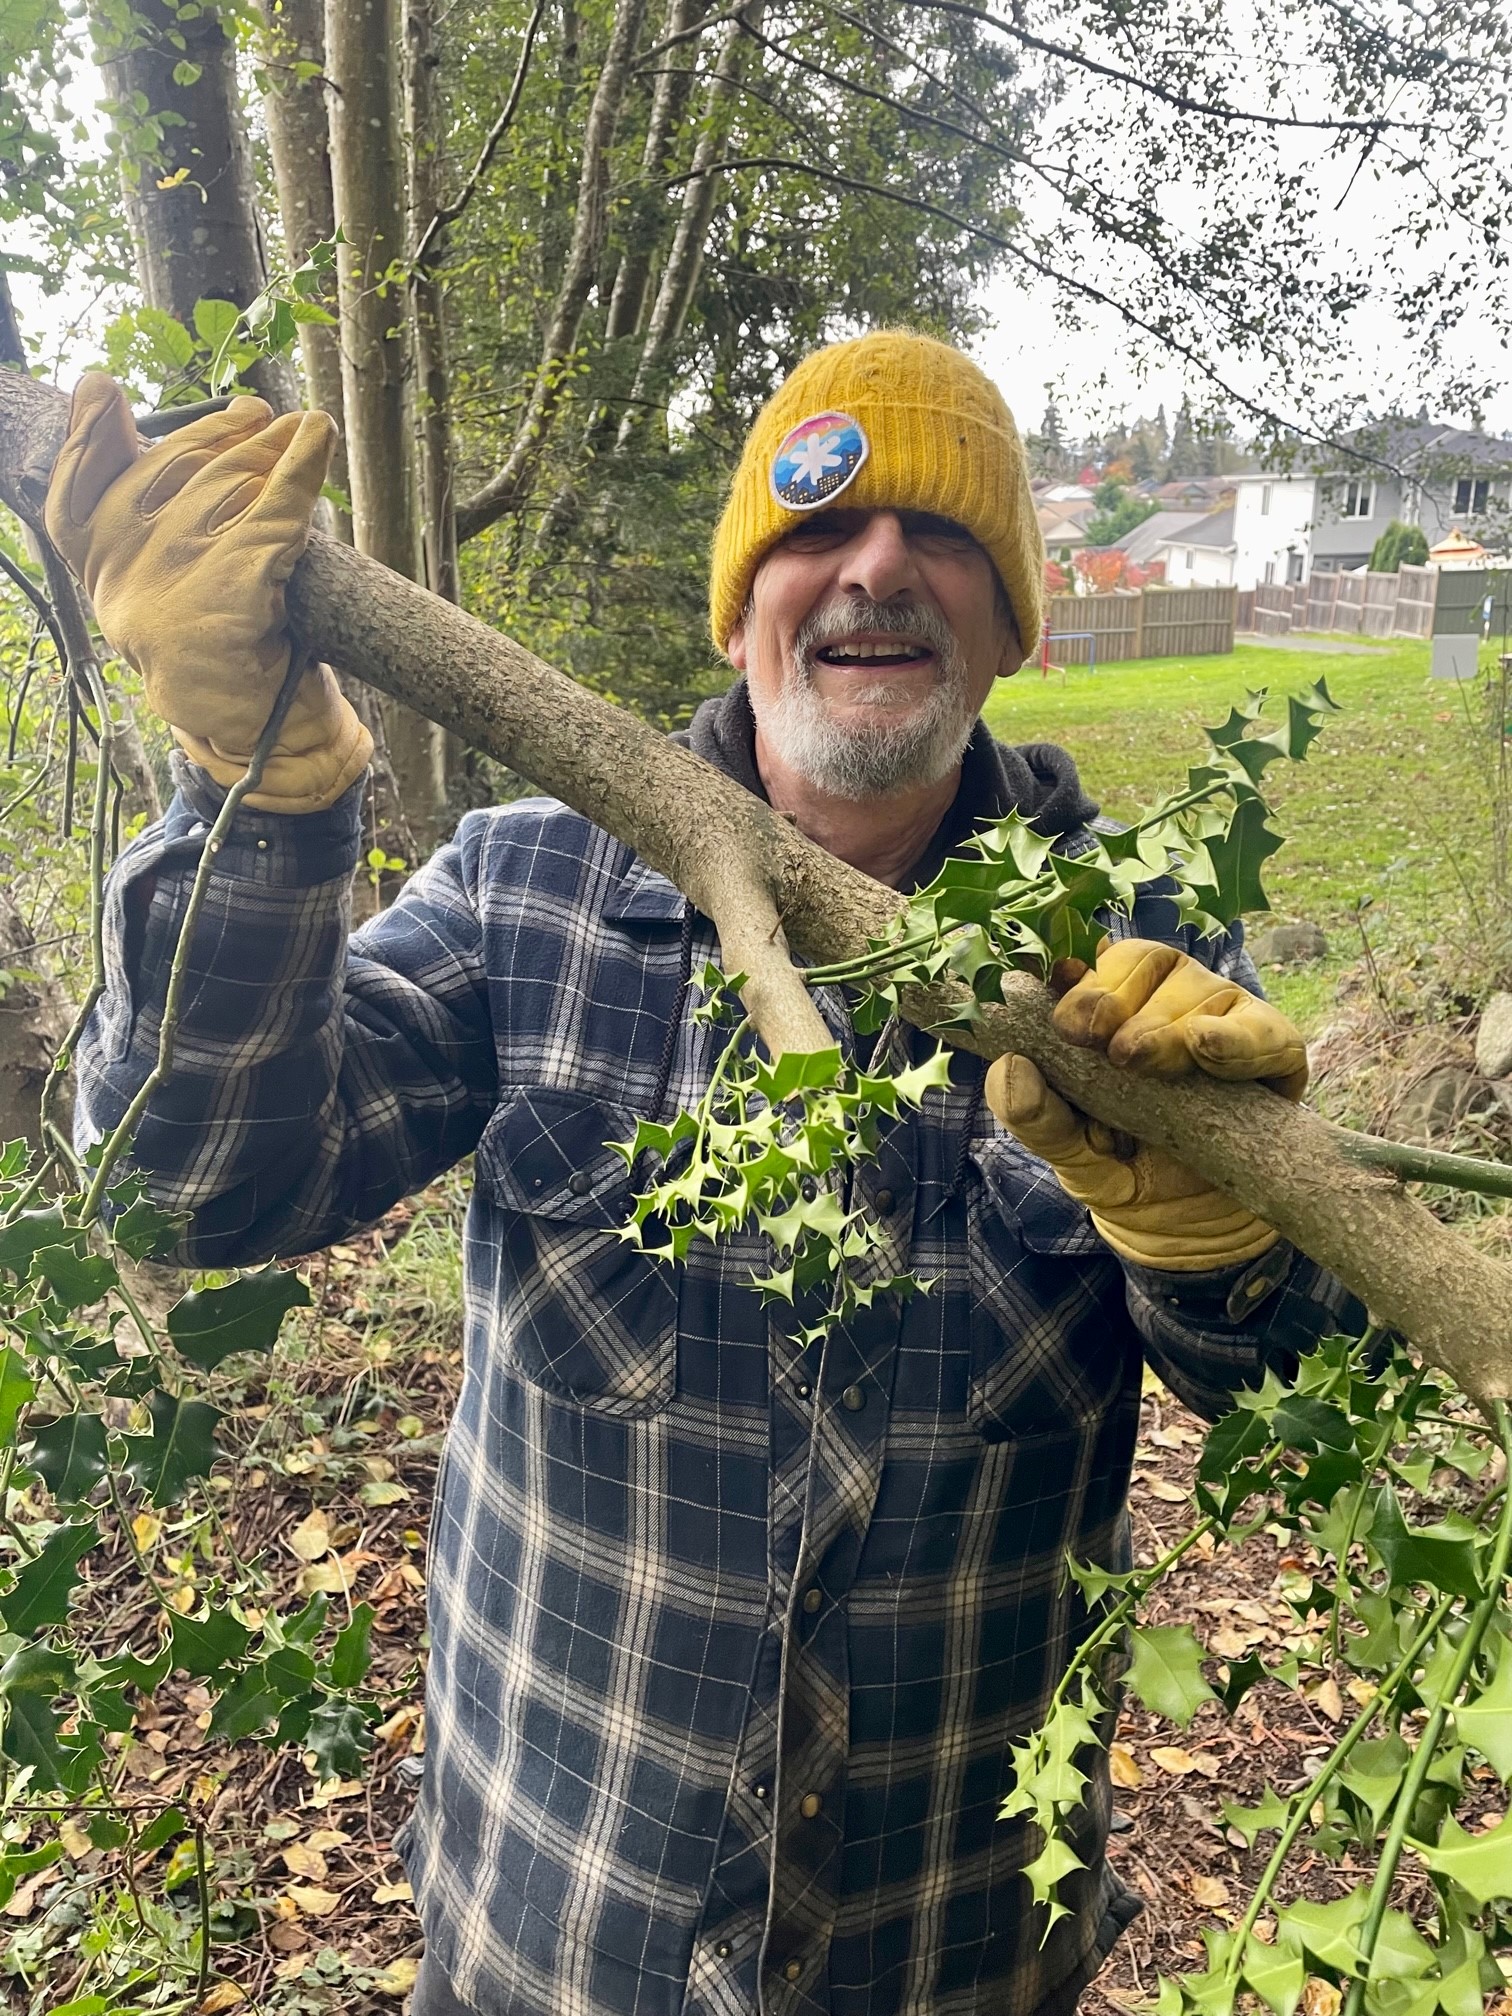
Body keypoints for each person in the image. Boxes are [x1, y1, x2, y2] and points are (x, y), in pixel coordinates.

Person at [47, 332, 1355, 2016]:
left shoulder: (1135, 956)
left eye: (940, 534)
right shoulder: (527, 891)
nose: (877, 563)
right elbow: (189, 1189)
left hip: (951, 1962)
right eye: (819, 524)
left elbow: (1302, 1386)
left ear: (1013, 621)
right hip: (554, 1947)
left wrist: (1226, 1243)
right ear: (741, 611)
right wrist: (254, 801)